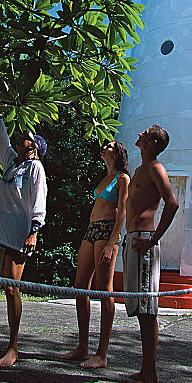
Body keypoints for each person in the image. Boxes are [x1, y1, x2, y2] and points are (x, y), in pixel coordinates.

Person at [115, 125, 178, 383]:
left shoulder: (155, 168)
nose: (139, 132)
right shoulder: (140, 170)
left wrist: (152, 241)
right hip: (133, 240)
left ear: (152, 142)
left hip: (144, 241)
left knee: (146, 309)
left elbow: (172, 203)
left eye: (146, 132)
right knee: (140, 307)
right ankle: (148, 372)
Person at [0, 87, 47, 367]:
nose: (20, 138)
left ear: (33, 147)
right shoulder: (11, 162)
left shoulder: (35, 169)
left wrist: (34, 231)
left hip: (19, 236)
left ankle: (13, 346)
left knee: (12, 288)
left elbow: (39, 201)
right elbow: (0, 137)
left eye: (26, 138)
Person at [61, 140, 129, 369]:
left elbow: (122, 214)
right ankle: (82, 347)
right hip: (91, 230)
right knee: (80, 286)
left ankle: (102, 353)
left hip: (107, 231)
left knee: (104, 289)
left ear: (118, 154)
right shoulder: (104, 178)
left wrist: (111, 244)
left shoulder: (123, 179)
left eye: (109, 146)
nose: (104, 147)